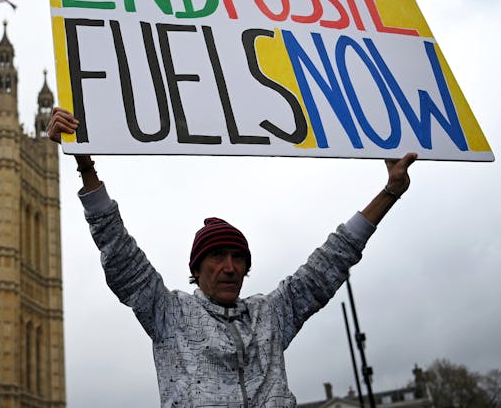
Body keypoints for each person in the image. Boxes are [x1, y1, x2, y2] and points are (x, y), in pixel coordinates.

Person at [47, 107, 417, 408]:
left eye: (238, 258)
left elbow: (331, 259)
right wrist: (86, 166)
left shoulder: (271, 314)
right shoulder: (169, 314)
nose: (229, 267)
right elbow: (121, 254)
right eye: (218, 256)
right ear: (195, 269)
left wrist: (390, 192)